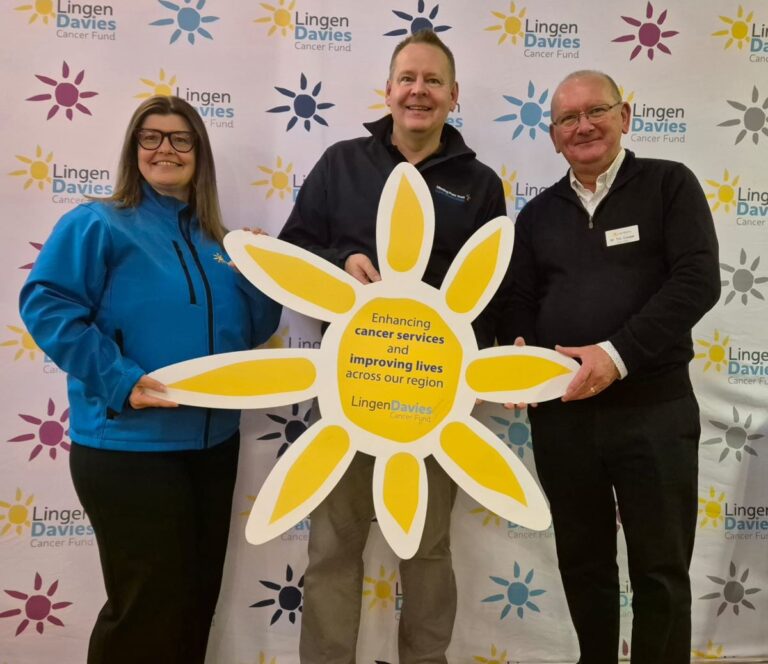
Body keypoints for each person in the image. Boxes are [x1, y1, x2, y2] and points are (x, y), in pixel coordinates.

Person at [19, 95, 281, 664]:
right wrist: (118, 379)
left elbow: (253, 334)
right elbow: (47, 305)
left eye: (181, 138)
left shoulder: (219, 242)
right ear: (134, 149)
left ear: (199, 153)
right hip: (129, 448)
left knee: (193, 604)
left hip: (212, 448)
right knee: (144, 612)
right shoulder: (98, 222)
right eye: (151, 137)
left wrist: (259, 273)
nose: (166, 149)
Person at [278, 30, 506, 664]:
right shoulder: (340, 162)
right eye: (408, 78)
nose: (418, 91)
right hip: (347, 393)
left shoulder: (480, 184)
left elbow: (491, 289)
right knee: (331, 548)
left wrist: (498, 370)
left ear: (453, 95)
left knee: (427, 550)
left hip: (436, 404)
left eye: (433, 81)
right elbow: (291, 250)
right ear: (388, 89)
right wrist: (338, 261)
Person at [495, 70, 720, 663]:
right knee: (584, 563)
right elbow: (518, 299)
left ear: (626, 116)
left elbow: (697, 281)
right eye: (568, 119)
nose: (584, 126)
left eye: (597, 111)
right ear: (552, 137)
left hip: (655, 409)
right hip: (565, 416)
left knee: (660, 569)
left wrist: (615, 356)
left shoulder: (670, 185)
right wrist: (517, 348)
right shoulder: (537, 216)